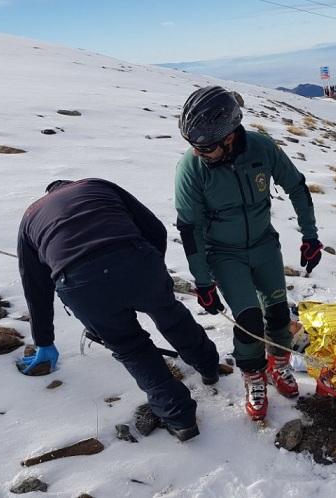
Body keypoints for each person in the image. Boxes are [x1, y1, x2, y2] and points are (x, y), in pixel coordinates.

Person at [17, 178, 220, 441]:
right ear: (70, 185)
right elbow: (154, 228)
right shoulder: (96, 185)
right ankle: (208, 366)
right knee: (170, 314)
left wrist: (44, 340)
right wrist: (152, 266)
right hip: (134, 259)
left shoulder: (31, 216)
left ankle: (180, 419)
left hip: (80, 283)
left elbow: (35, 286)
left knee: (131, 347)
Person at [175, 85, 322, 421]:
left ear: (230, 135)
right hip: (225, 254)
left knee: (278, 313)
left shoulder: (261, 149)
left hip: (264, 245)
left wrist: (310, 236)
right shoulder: (191, 169)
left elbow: (297, 187)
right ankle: (254, 375)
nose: (199, 153)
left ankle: (279, 364)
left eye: (207, 146)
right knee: (249, 320)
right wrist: (202, 281)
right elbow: (190, 228)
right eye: (194, 146)